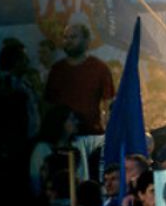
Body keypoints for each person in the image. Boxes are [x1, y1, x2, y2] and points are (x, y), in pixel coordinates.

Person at [45, 22, 115, 151]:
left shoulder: (99, 68)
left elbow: (109, 104)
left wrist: (110, 133)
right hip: (63, 138)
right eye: (66, 37)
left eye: (73, 37)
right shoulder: (57, 70)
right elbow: (49, 105)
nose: (68, 41)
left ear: (86, 40)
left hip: (91, 136)